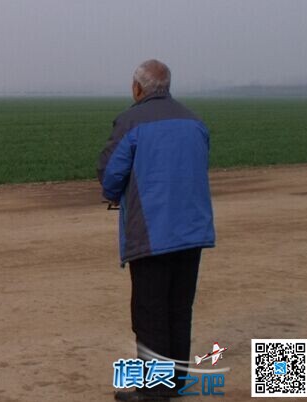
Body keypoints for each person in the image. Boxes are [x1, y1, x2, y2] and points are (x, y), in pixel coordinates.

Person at [98, 60, 215, 402]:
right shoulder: (195, 121)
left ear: (138, 88)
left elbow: (110, 176)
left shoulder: (131, 120)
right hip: (192, 232)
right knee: (179, 309)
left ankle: (154, 391)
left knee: (150, 314)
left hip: (152, 234)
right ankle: (175, 384)